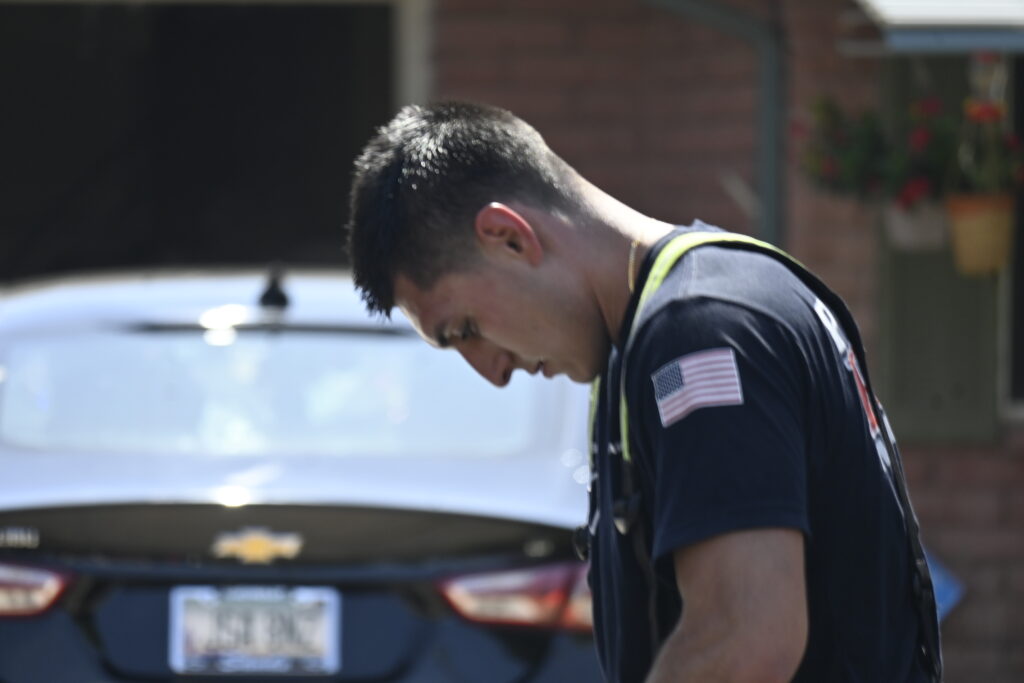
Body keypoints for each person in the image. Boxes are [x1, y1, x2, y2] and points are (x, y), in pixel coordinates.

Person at [342, 101, 942, 683]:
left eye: (465, 329)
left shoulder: (700, 333)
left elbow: (744, 641)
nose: (491, 372)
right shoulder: (677, 322)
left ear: (508, 237)